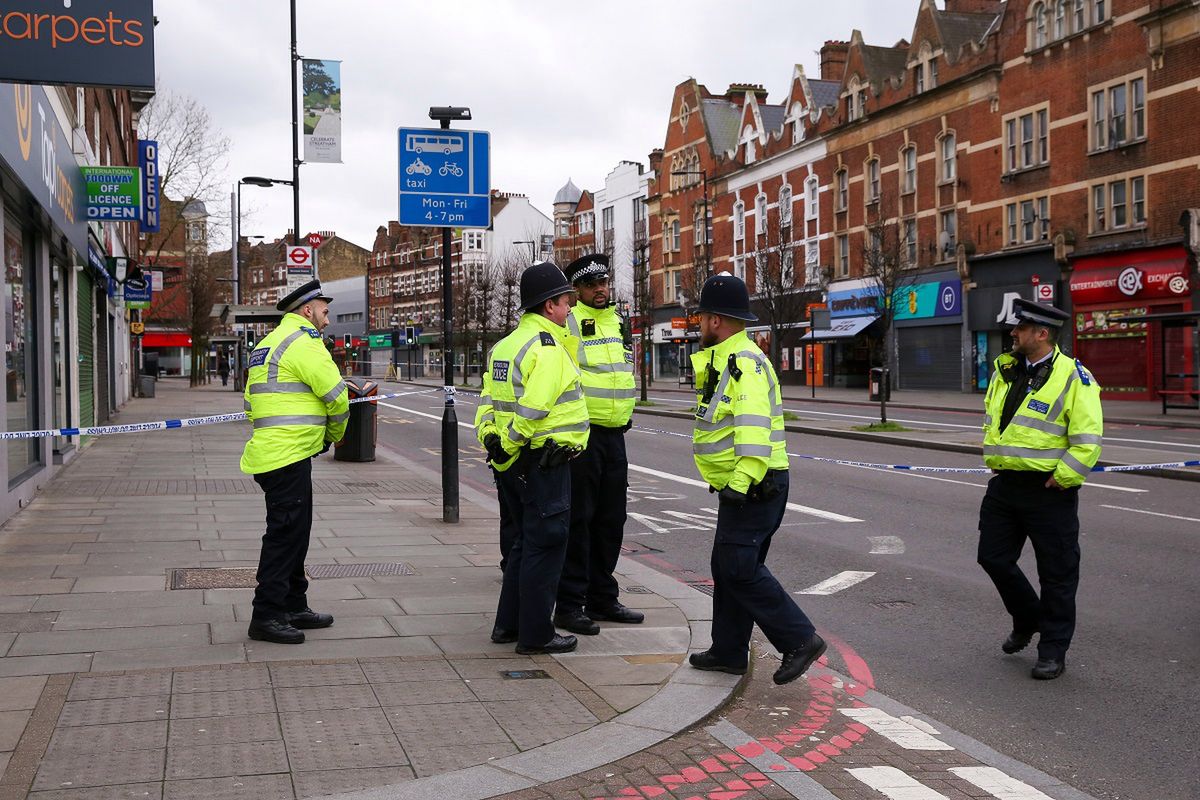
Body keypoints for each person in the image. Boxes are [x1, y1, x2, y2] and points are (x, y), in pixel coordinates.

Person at [686, 273, 826, 685]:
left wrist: (738, 483)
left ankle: (800, 640)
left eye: (701, 318)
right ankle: (729, 652)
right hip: (746, 484)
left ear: (715, 320)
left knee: (739, 567)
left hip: (753, 485)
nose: (698, 325)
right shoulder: (726, 360)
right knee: (726, 565)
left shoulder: (742, 363)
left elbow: (752, 430)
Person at [978, 298, 1103, 680]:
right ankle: (1029, 617)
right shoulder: (1007, 370)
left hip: (1049, 490)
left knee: (1058, 574)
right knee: (992, 557)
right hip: (1005, 485)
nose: (1013, 333)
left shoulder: (1074, 376)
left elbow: (1088, 438)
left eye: (1020, 329)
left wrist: (1064, 475)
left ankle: (1053, 650)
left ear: (1042, 333)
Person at [475, 262, 590, 655]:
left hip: (512, 464)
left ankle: (507, 625)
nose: (571, 309)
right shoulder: (548, 348)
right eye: (566, 302)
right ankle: (537, 634)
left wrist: (492, 439)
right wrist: (512, 443)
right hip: (544, 461)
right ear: (548, 307)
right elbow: (534, 408)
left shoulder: (504, 346)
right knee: (547, 545)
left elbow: (488, 401)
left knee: (524, 543)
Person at [240, 279, 349, 645]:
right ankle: (267, 614)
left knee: (295, 532)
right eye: (324, 309)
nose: (327, 317)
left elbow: (250, 403)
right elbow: (337, 396)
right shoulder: (304, 343)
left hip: (274, 451)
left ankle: (293, 603)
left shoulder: (267, 344)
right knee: (285, 536)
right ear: (307, 310)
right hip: (288, 454)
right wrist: (333, 435)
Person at [552, 254, 644, 636]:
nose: (601, 289)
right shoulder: (568, 324)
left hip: (615, 435)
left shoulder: (620, 323)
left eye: (604, 282)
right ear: (577, 290)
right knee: (580, 521)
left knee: (611, 520)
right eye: (592, 285)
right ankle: (571, 604)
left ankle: (603, 597)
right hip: (583, 435)